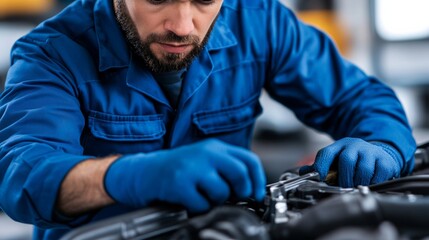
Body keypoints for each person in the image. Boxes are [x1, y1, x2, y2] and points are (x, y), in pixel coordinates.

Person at [0, 0, 416, 239]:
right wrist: (127, 176)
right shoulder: (51, 53)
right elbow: (22, 176)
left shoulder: (260, 22)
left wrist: (383, 142)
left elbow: (358, 96)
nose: (182, 25)